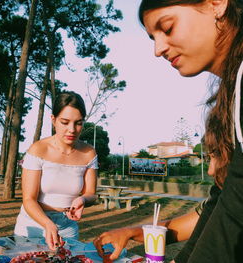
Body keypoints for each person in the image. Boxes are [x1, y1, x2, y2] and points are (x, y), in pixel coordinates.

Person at [94, 0, 243, 262]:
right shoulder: (231, 94)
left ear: (217, 3)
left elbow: (236, 208)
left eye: (168, 27)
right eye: (153, 37)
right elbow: (219, 204)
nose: (158, 49)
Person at [14, 91, 98, 250]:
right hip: (33, 225)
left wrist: (83, 200)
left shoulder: (89, 153)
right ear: (53, 120)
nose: (72, 129)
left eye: (78, 123)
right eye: (65, 122)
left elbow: (91, 194)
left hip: (67, 227)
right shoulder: (38, 149)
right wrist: (47, 224)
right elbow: (29, 199)